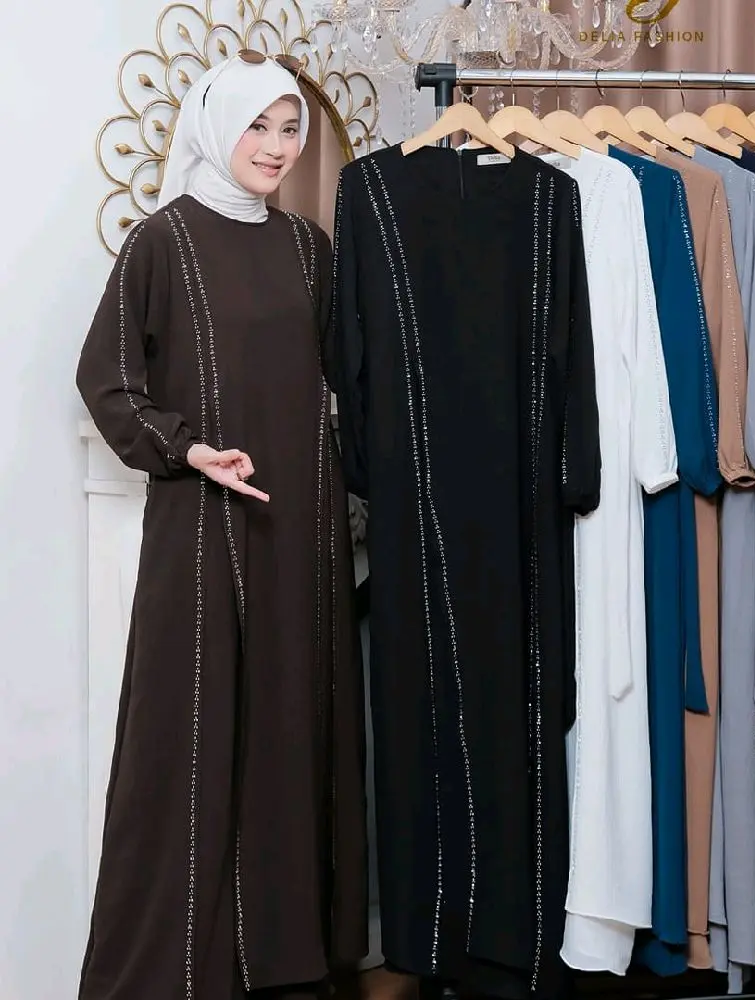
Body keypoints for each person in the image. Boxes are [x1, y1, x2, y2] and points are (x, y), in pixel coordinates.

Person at [75, 53, 368, 999]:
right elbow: (106, 378)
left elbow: (341, 378)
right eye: (258, 127)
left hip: (303, 531)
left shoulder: (308, 249)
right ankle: (178, 971)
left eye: (290, 130)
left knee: (292, 725)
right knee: (193, 736)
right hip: (202, 527)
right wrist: (185, 448)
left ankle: (285, 960)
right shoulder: (162, 243)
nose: (276, 148)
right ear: (216, 128)